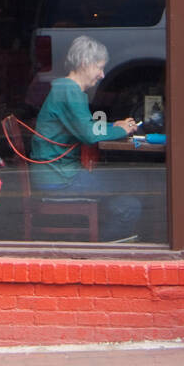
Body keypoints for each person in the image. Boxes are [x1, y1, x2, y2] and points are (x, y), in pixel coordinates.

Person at [30, 36, 141, 241]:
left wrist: (112, 126)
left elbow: (84, 126)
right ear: (84, 64)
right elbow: (89, 135)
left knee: (127, 198)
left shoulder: (67, 89)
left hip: (59, 175)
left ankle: (105, 238)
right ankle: (103, 244)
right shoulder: (69, 91)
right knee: (131, 186)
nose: (102, 74)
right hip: (60, 179)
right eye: (99, 67)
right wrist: (121, 131)